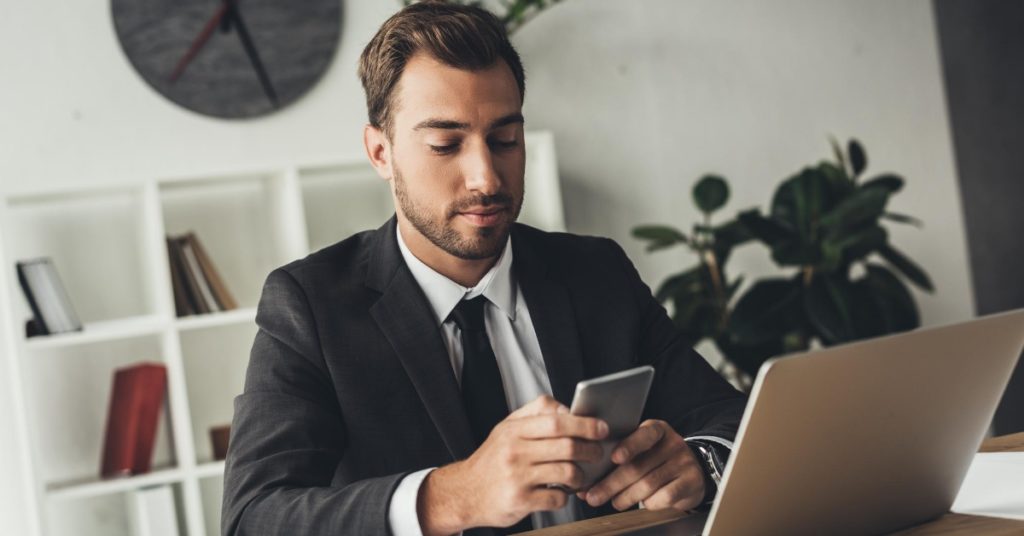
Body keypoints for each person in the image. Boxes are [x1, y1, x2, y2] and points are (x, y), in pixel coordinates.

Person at [222, 2, 746, 535]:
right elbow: (254, 518)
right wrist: (452, 497)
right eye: (445, 144)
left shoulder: (597, 272)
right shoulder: (309, 305)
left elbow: (730, 418)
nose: (486, 179)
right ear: (381, 153)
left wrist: (698, 462)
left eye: (505, 140)